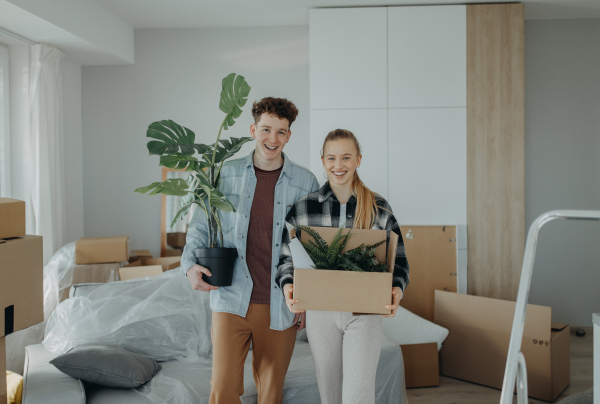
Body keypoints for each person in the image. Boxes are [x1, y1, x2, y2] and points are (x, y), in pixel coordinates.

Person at [181, 97, 320, 404]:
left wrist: (308, 298)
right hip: (231, 299)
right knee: (222, 391)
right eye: (267, 129)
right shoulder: (222, 173)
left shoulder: (306, 181)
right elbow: (200, 228)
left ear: (289, 135)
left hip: (281, 303)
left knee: (271, 395)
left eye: (281, 132)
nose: (273, 139)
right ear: (253, 128)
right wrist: (189, 264)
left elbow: (311, 246)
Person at [275, 129, 410, 404]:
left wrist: (397, 289)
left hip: (364, 313)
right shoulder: (303, 209)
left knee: (357, 397)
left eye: (346, 158)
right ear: (323, 161)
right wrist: (288, 286)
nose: (339, 166)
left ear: (358, 160)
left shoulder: (378, 208)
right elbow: (286, 257)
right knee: (330, 396)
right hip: (320, 314)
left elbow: (400, 261)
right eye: (332, 158)